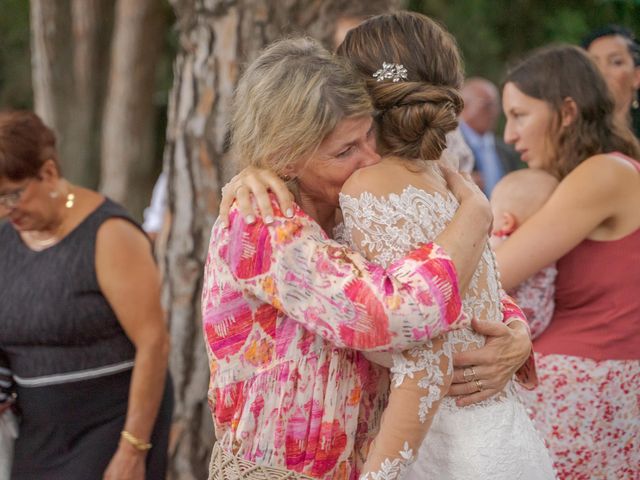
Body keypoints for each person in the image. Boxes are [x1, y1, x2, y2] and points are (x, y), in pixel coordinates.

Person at [203, 37, 534, 479]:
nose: (371, 159)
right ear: (284, 156)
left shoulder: (347, 203)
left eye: (369, 135)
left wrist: (515, 329)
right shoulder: (261, 225)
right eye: (345, 151)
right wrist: (474, 215)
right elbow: (396, 313)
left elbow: (455, 277)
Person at [332, 12, 553, 479]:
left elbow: (420, 349)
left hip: (442, 448)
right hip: (504, 437)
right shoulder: (451, 183)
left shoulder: (366, 188)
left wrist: (377, 474)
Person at [0, 111, 173, 480]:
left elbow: (154, 342)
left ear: (47, 172)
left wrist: (132, 449)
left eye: (12, 195)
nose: (5, 210)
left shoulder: (108, 233)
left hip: (110, 429)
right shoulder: (5, 240)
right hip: (38, 436)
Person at [497, 45, 640, 479]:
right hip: (581, 397)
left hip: (584, 401)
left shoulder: (604, 174)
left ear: (567, 111)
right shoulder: (597, 175)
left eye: (520, 115)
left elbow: (494, 273)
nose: (508, 135)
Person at [489, 169, 559, 339]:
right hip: (538, 323)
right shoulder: (550, 247)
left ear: (506, 222)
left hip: (507, 322)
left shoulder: (499, 241)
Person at [459, 77, 522, 194]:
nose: (494, 111)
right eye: (487, 105)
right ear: (464, 106)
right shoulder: (447, 147)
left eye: (497, 105)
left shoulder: (506, 151)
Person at [582, 25, 640, 138]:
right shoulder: (568, 138)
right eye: (593, 64)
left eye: (616, 62)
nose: (603, 73)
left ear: (637, 77)